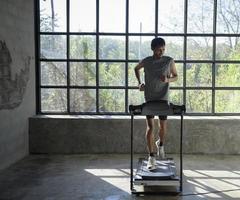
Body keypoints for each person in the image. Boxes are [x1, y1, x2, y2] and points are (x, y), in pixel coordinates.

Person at [134, 37, 178, 170]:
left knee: (163, 127)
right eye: (159, 50)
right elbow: (136, 68)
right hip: (150, 98)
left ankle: (161, 144)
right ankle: (151, 157)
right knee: (150, 128)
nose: (161, 52)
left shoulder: (169, 61)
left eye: (163, 49)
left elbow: (176, 76)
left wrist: (167, 79)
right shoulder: (147, 61)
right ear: (153, 49)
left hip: (163, 98)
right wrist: (140, 83)